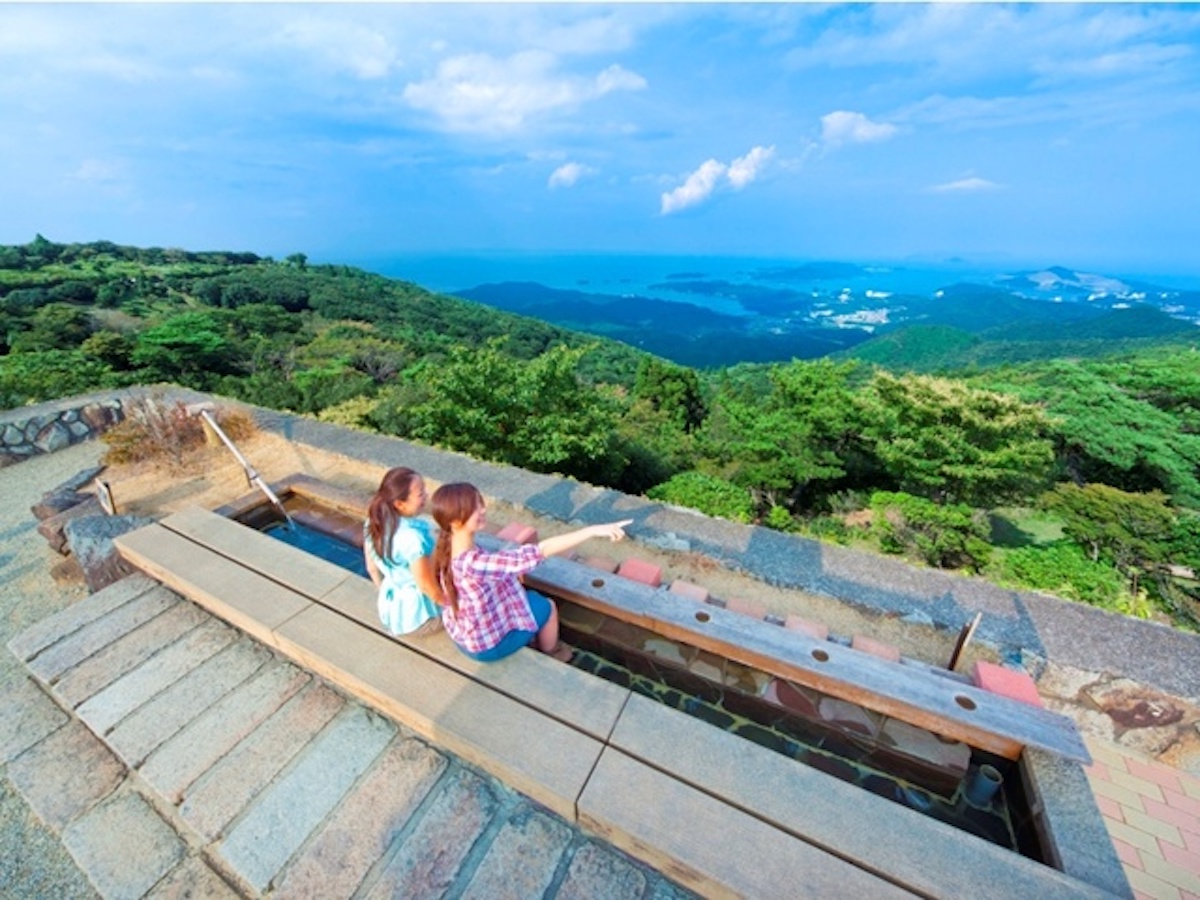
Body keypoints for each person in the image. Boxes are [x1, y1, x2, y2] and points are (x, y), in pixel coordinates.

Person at [431, 482, 631, 663]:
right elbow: (540, 551)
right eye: (475, 507)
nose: (483, 509)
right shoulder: (475, 564)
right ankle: (551, 652)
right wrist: (591, 531)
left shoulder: (448, 544)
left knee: (530, 597)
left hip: (462, 634)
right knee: (548, 607)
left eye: (479, 503)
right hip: (486, 647)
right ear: (456, 522)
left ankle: (533, 638)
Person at [363, 467, 445, 637]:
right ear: (399, 504)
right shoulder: (412, 539)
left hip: (392, 612)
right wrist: (452, 605)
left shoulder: (374, 522)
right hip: (420, 619)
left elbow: (372, 568)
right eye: (421, 493)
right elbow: (425, 586)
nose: (427, 495)